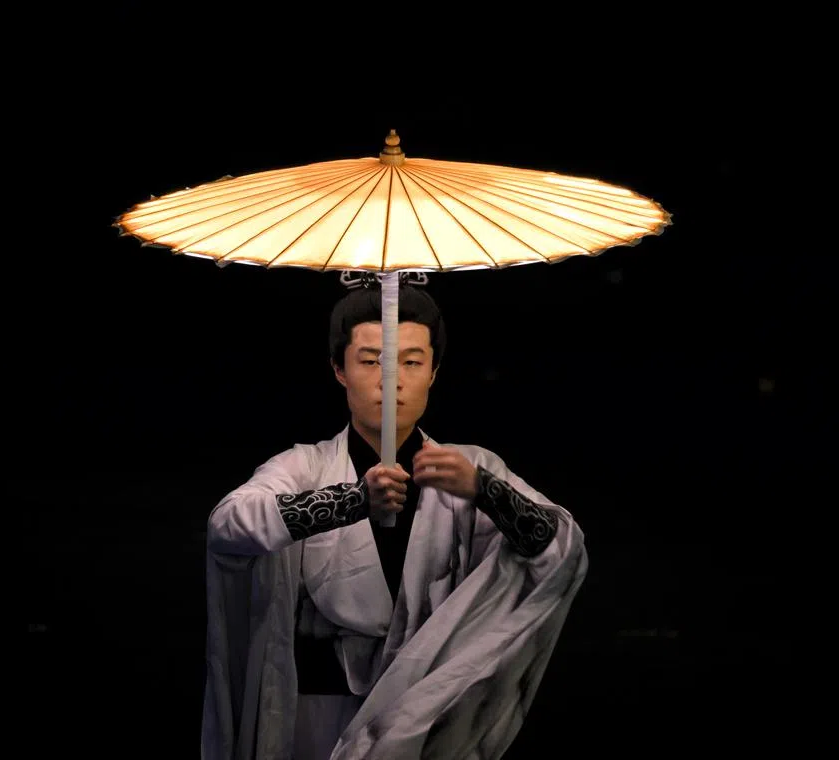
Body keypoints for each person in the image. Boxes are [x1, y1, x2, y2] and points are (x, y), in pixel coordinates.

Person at [202, 272, 588, 760]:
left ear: (434, 371)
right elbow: (228, 524)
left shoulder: (470, 467)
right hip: (318, 709)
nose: (393, 380)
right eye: (371, 361)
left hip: (427, 710)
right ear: (339, 369)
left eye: (412, 361)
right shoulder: (305, 467)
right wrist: (351, 501)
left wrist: (485, 490)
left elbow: (561, 547)